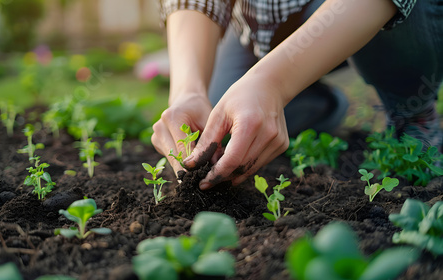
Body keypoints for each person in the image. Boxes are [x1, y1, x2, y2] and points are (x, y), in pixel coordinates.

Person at [151, 0, 443, 190]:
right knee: (225, 118)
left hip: (357, 10)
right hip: (261, 28)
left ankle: (411, 108)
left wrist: (271, 83)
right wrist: (187, 91)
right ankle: (321, 105)